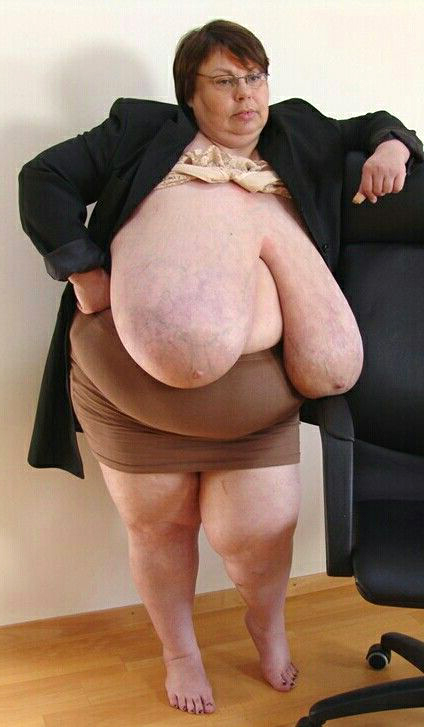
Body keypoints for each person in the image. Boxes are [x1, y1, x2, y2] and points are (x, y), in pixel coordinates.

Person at [19, 19, 423, 716]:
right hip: (134, 395)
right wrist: (82, 269)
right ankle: (180, 651)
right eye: (225, 81)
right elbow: (42, 178)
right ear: (190, 94)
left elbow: (378, 124)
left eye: (255, 77)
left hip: (256, 405)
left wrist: (393, 144)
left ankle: (267, 626)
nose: (246, 96)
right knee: (160, 529)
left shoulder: (300, 131)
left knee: (261, 536)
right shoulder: (139, 130)